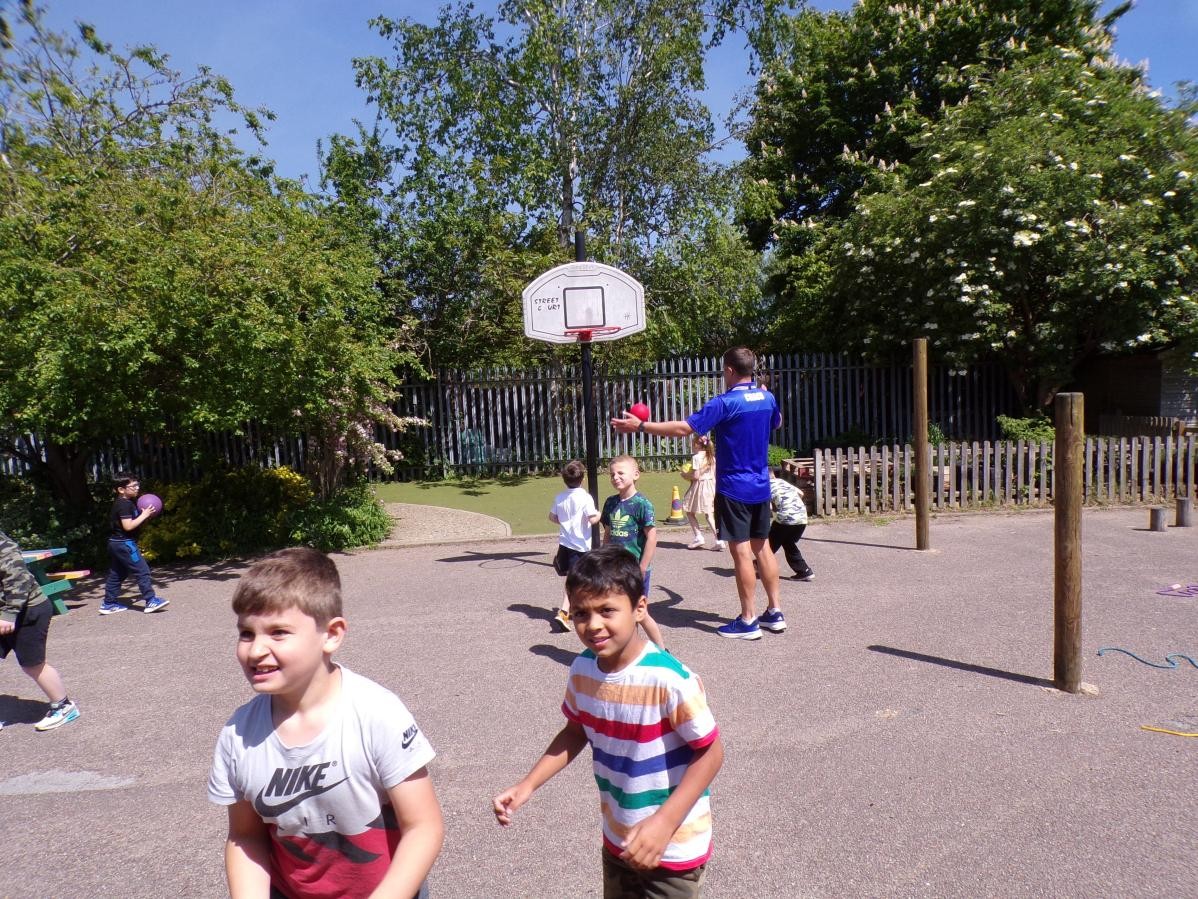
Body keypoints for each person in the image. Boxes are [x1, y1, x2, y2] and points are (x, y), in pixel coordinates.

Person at [208, 548, 444, 899]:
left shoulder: (377, 714)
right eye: (246, 633)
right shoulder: (238, 735)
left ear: (331, 635)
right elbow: (246, 835)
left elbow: (423, 826)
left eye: (278, 632)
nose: (255, 650)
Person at [492, 546, 723, 898]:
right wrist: (527, 785)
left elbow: (711, 753)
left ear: (639, 608)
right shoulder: (583, 669)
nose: (593, 624)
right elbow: (575, 731)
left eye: (607, 610)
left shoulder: (670, 679)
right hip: (619, 837)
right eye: (581, 613)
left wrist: (663, 823)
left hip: (673, 844)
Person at [611, 347, 785, 640]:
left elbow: (683, 429)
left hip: (734, 488)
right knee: (762, 548)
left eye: (723, 370)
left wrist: (640, 425)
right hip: (760, 486)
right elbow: (777, 422)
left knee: (742, 552)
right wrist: (766, 396)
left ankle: (748, 620)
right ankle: (775, 612)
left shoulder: (725, 402)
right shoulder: (766, 398)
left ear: (729, 370)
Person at [0, 529, 81, 732]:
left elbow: (18, 579)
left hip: (27, 610)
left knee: (32, 664)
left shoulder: (3, 545)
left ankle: (63, 706)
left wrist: (9, 614)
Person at [601, 455, 666, 650]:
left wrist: (643, 567)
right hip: (615, 569)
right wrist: (604, 560)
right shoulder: (611, 502)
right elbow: (607, 534)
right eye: (612, 474)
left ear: (635, 475)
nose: (616, 477)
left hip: (635, 569)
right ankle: (630, 651)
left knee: (640, 612)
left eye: (621, 473)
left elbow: (652, 537)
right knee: (620, 612)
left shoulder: (642, 504)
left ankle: (663, 651)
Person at [100, 471, 167, 615]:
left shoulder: (126, 502)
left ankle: (108, 603)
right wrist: (144, 515)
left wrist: (144, 516)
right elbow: (128, 526)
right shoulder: (124, 505)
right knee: (142, 571)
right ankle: (150, 600)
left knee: (117, 574)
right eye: (133, 486)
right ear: (121, 489)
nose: (137, 488)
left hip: (116, 544)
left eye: (137, 485)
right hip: (125, 544)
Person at [549, 459, 601, 631]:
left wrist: (565, 522)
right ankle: (565, 610)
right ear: (583, 479)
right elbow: (592, 518)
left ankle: (576, 608)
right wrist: (600, 514)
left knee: (576, 578)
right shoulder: (585, 498)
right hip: (581, 545)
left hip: (565, 542)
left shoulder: (560, 497)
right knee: (576, 579)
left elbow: (552, 517)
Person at [769, 467, 814, 581]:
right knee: (787, 542)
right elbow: (801, 493)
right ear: (773, 474)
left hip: (786, 519)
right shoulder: (782, 481)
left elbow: (767, 506)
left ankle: (758, 566)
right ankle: (804, 571)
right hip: (802, 517)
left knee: (769, 546)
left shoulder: (764, 486)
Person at [680, 435, 722, 551]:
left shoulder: (696, 458)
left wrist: (684, 475)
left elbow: (696, 476)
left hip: (700, 487)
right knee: (710, 514)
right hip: (712, 486)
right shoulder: (712, 457)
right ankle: (719, 539)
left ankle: (699, 537)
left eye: (693, 443)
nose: (692, 446)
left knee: (689, 510)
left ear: (697, 445)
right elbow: (714, 475)